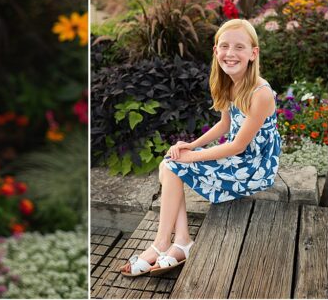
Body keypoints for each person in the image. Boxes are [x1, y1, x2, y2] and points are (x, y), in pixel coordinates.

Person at [120, 19, 281, 277]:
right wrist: (190, 145)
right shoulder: (230, 83)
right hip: (238, 156)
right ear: (216, 50)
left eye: (239, 47)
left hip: (253, 167)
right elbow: (226, 125)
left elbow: (238, 145)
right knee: (169, 164)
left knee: (172, 165)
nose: (230, 53)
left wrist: (191, 157)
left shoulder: (260, 93)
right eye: (224, 46)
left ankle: (163, 243)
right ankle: (181, 239)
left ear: (253, 53)